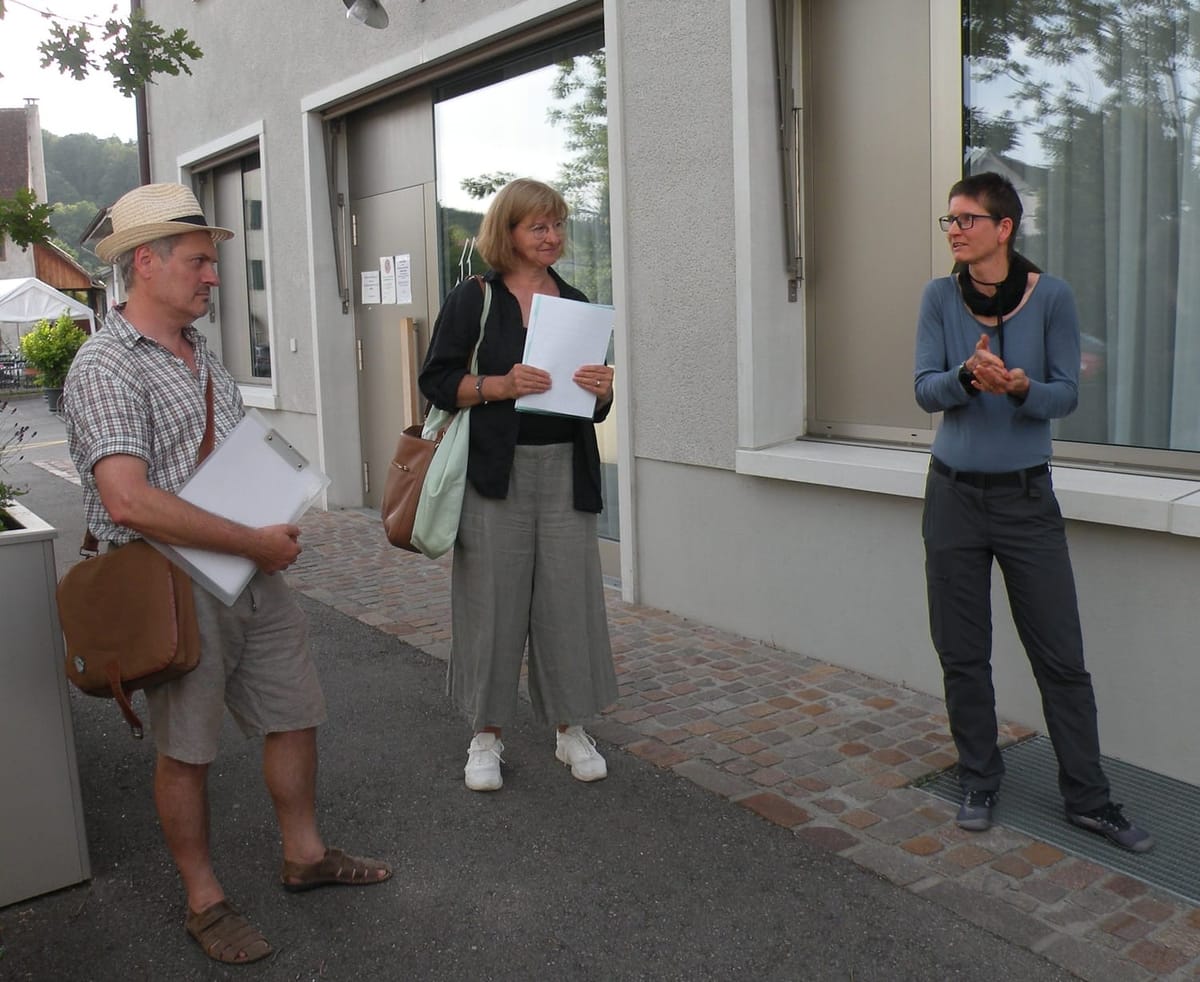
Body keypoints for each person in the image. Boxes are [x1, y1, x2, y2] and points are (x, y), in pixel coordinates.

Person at [62, 183, 392, 965]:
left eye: (212, 263)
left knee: (293, 711)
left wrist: (271, 509)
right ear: (146, 263)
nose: (213, 277)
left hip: (245, 567)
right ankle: (204, 902)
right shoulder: (105, 365)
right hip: (169, 584)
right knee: (187, 747)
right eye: (200, 261)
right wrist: (251, 536)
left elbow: (226, 458)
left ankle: (304, 856)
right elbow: (128, 500)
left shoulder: (199, 352)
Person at [913, 172, 1153, 853]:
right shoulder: (938, 297)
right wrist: (965, 377)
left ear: (1003, 227)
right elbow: (925, 390)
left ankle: (1089, 798)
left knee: (1061, 656)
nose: (954, 229)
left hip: (1026, 500)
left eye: (966, 219)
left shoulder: (1052, 297)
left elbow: (1064, 397)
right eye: (949, 220)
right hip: (953, 496)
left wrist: (1020, 387)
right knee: (962, 651)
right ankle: (979, 777)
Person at [419, 177, 619, 792]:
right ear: (507, 233)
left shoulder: (578, 301)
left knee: (568, 602)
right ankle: (486, 735)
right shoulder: (474, 297)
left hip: (566, 469)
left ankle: (569, 727)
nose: (553, 236)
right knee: (491, 605)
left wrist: (603, 392)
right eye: (538, 226)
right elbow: (436, 380)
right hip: (493, 473)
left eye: (557, 224)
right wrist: (499, 385)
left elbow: (590, 410)